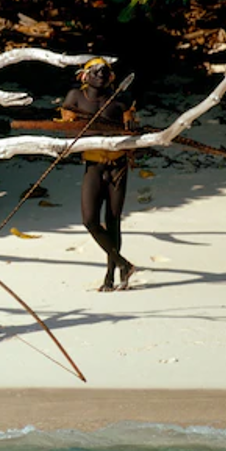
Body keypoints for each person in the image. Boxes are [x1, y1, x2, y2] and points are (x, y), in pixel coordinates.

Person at [60, 57, 138, 292]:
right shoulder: (75, 97)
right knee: (90, 220)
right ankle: (124, 263)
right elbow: (66, 124)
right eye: (95, 71)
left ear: (111, 77)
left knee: (113, 221)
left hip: (118, 165)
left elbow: (132, 127)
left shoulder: (120, 99)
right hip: (93, 165)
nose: (101, 74)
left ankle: (111, 276)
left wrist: (131, 121)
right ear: (84, 76)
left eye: (105, 71)